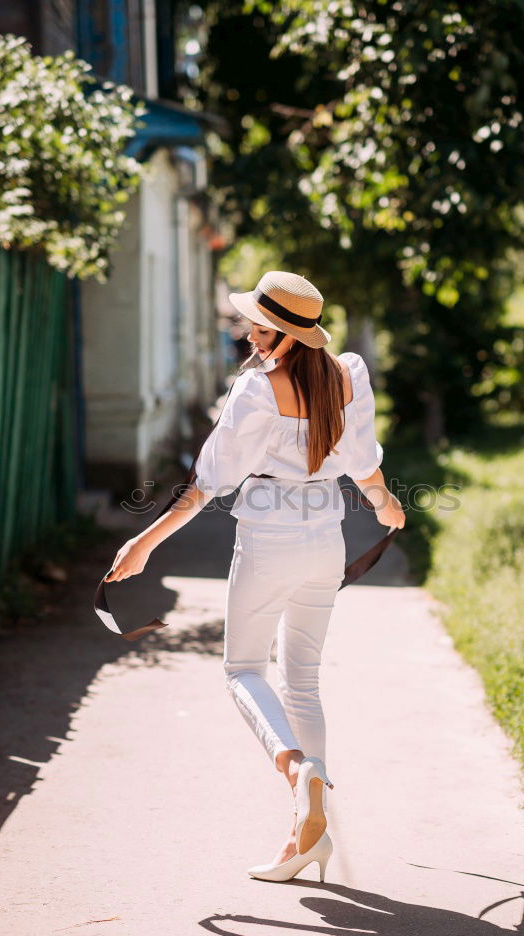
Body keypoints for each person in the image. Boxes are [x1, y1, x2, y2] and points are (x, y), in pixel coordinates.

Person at [104, 271, 406, 883]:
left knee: (243, 669)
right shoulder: (347, 375)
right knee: (304, 680)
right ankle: (305, 834)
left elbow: (206, 484)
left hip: (269, 541)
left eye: (257, 325)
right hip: (326, 538)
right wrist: (385, 506)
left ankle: (299, 773)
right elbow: (364, 464)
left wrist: (143, 543)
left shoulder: (256, 392)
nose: (248, 334)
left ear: (281, 333)